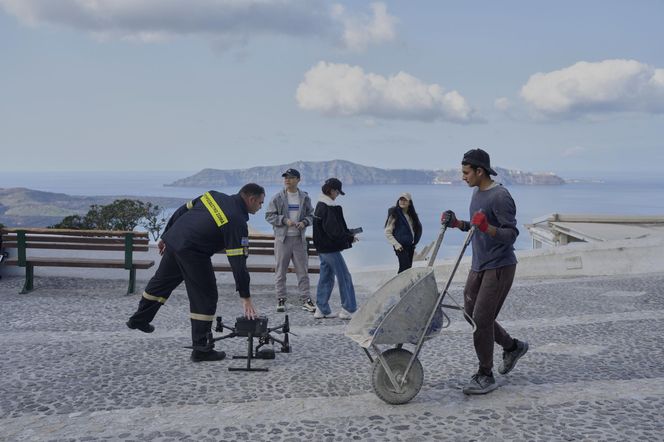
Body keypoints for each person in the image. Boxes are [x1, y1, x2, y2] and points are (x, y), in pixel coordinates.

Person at [126, 183, 265, 362]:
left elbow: (182, 210)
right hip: (193, 252)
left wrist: (166, 235)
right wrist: (245, 297)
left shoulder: (214, 196)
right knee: (205, 297)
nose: (260, 207)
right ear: (251, 199)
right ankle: (201, 349)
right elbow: (238, 263)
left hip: (175, 241)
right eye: (260, 203)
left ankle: (139, 320)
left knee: (161, 284)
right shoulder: (236, 220)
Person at [441, 148, 528, 395]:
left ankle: (485, 374)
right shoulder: (477, 194)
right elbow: (477, 227)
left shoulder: (500, 196)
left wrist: (488, 228)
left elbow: (511, 234)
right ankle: (512, 347)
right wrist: (458, 223)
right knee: (472, 316)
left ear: (480, 171)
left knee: (481, 321)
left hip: (499, 267)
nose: (463, 177)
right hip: (479, 265)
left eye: (466, 172)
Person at [265, 168, 316, 313]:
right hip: (283, 240)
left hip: (299, 240)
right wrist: (284, 220)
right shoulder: (278, 197)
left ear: (298, 180)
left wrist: (304, 222)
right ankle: (281, 299)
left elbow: (312, 215)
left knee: (302, 272)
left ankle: (306, 300)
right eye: (285, 177)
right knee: (280, 271)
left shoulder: (305, 198)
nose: (287, 180)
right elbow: (269, 216)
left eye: (291, 177)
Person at [312, 178, 358, 320]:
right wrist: (349, 237)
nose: (337, 195)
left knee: (326, 277)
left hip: (322, 248)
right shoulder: (328, 206)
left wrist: (348, 234)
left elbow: (329, 229)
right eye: (337, 192)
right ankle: (348, 309)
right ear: (331, 190)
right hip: (330, 249)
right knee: (344, 276)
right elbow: (334, 231)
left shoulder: (320, 205)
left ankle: (322, 309)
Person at [384, 192, 423, 273]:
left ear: (409, 203)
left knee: (407, 268)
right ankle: (400, 285)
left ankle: (405, 285)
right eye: (401, 199)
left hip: (410, 246)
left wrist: (414, 242)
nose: (402, 201)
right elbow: (387, 232)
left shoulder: (412, 216)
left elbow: (416, 230)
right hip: (400, 247)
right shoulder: (395, 214)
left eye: (405, 200)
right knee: (404, 268)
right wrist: (397, 245)